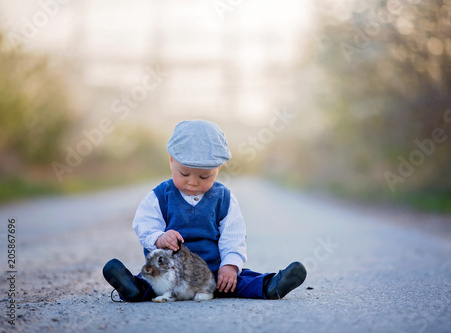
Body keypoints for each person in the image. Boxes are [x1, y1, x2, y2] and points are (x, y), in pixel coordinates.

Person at [102, 120, 307, 302]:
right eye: (184, 173)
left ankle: (270, 286)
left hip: (213, 273)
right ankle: (133, 289)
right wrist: (159, 237)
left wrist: (230, 265)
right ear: (171, 161)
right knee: (149, 281)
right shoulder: (159, 196)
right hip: (168, 274)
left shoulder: (224, 199)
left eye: (204, 177)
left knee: (241, 279)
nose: (193, 182)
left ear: (218, 169)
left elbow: (233, 236)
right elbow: (144, 223)